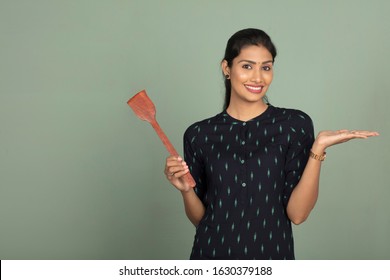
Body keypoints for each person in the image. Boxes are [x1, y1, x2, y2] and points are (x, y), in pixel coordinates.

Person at [164, 28, 379, 260]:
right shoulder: (199, 134)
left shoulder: (294, 125)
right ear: (227, 68)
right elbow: (201, 219)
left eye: (265, 67)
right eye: (247, 66)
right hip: (212, 258)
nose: (258, 77)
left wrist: (318, 150)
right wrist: (186, 190)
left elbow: (298, 214)